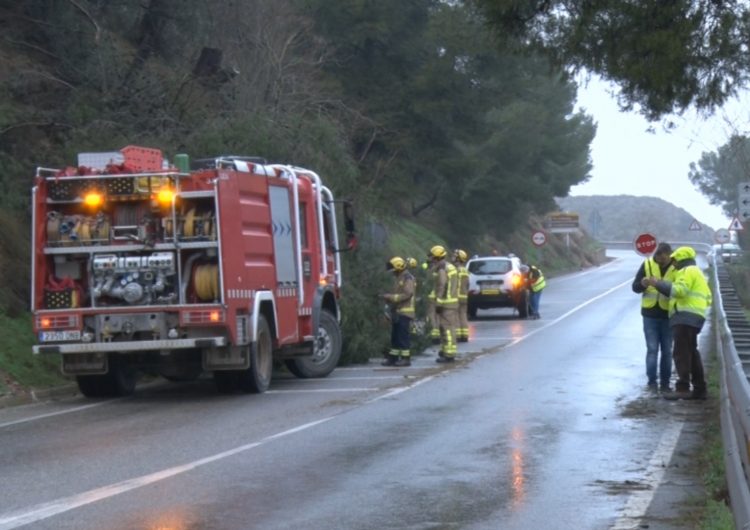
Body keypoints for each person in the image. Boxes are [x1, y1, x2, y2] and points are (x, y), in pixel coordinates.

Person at [644, 246, 712, 400]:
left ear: (680, 259)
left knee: (681, 353)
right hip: (695, 317)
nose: (672, 263)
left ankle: (683, 388)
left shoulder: (686, 271)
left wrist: (658, 284)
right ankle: (699, 389)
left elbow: (679, 290)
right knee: (691, 353)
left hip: (684, 317)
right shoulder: (697, 272)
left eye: (674, 260)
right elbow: (708, 297)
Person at [632, 242, 675, 391]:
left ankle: (665, 383)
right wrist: (642, 284)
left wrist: (660, 285)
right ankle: (651, 382)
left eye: (662, 258)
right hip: (649, 315)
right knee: (652, 349)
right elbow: (635, 287)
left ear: (669, 255)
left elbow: (679, 290)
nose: (659, 260)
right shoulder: (648, 264)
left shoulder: (677, 267)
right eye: (657, 257)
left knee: (667, 351)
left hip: (669, 315)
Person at [379, 256, 416, 367]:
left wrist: (391, 297)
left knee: (402, 337)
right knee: (395, 336)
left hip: (405, 312)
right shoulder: (400, 277)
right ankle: (393, 358)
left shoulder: (407, 278)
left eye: (394, 271)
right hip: (398, 312)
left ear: (399, 268)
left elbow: (408, 294)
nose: (393, 273)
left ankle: (406, 358)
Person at [428, 245, 459, 362]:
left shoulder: (442, 268)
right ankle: (446, 350)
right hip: (451, 302)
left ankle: (449, 354)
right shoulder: (449, 266)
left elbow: (442, 285)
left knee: (447, 328)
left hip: (446, 303)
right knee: (447, 328)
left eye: (432, 256)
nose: (430, 259)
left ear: (436, 257)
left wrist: (439, 302)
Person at [453, 249, 470, 342]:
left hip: (456, 296)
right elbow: (467, 284)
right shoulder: (465, 270)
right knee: (463, 315)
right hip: (464, 296)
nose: (453, 257)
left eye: (455, 256)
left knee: (456, 316)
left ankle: (458, 335)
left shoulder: (456, 270)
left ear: (458, 258)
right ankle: (465, 335)